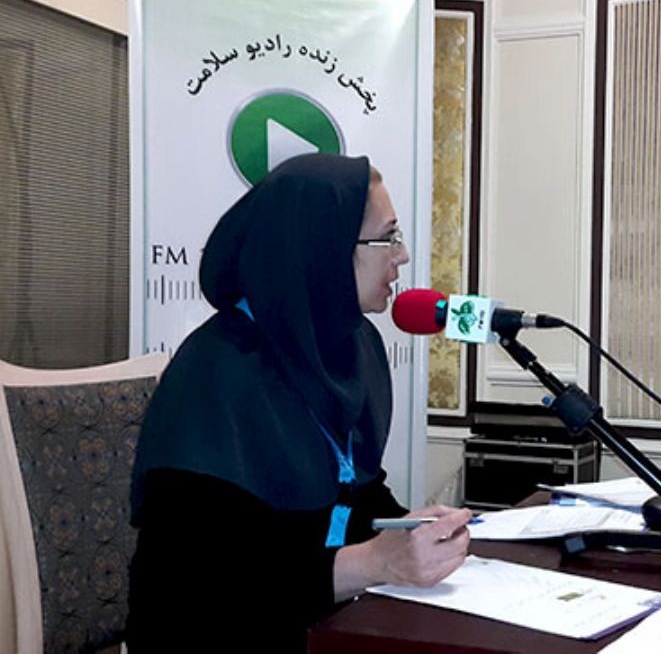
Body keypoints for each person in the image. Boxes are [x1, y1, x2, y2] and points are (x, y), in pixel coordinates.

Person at [126, 154, 471, 652]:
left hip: (316, 622)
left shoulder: (349, 347)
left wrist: (417, 531)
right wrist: (375, 562)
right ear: (321, 248)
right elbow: (207, 583)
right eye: (387, 238)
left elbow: (352, 490)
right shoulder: (216, 372)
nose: (403, 256)